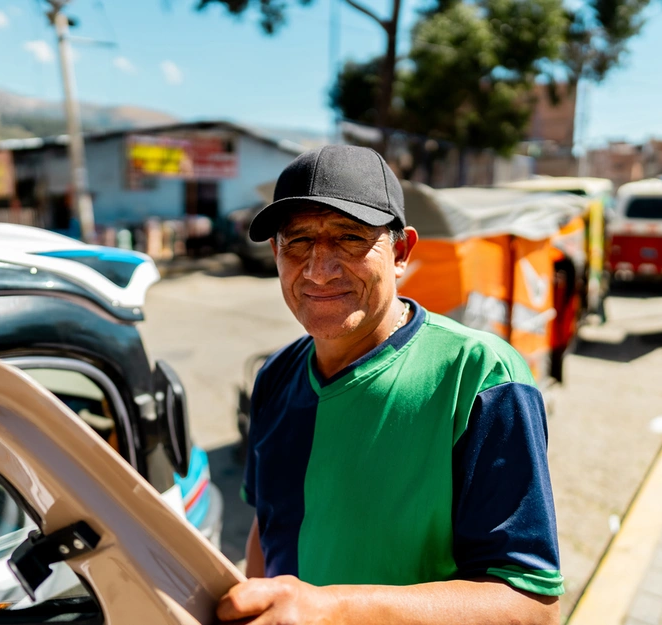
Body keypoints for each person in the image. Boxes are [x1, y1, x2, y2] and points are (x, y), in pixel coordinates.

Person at [217, 145, 563, 625]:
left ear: (400, 252)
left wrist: (332, 610)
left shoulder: (479, 375)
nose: (319, 269)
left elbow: (530, 605)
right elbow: (266, 526)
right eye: (297, 242)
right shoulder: (275, 377)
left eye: (350, 238)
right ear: (276, 253)